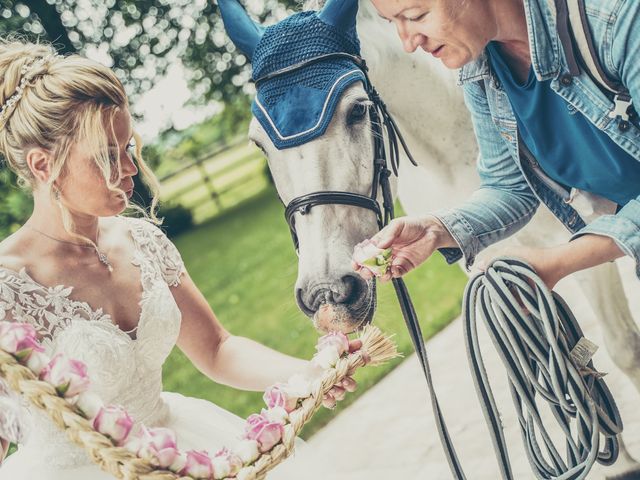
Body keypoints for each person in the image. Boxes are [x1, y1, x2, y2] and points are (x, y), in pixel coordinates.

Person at [0, 37, 356, 478]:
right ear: (41, 165)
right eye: (108, 156)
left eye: (128, 148)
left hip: (178, 448)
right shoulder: (6, 289)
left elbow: (217, 349)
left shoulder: (143, 240)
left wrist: (310, 372)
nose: (130, 169)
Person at [354, 0, 640, 290]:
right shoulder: (482, 70)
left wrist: (561, 260)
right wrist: (435, 229)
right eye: (393, 22)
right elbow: (510, 186)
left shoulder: (618, 19)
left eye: (416, 16)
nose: (408, 43)